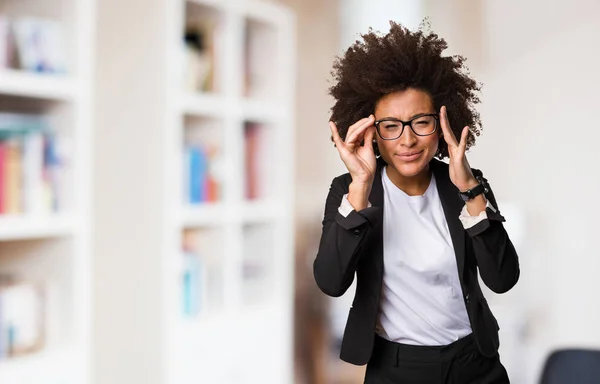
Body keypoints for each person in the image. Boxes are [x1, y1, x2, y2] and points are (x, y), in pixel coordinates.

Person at [313, 21, 520, 384]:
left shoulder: (467, 184)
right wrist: (360, 187)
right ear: (372, 133)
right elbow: (331, 281)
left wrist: (470, 189)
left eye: (420, 122)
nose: (407, 140)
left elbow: (503, 279)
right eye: (391, 126)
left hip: (475, 362)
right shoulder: (347, 189)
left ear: (442, 126)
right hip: (395, 368)